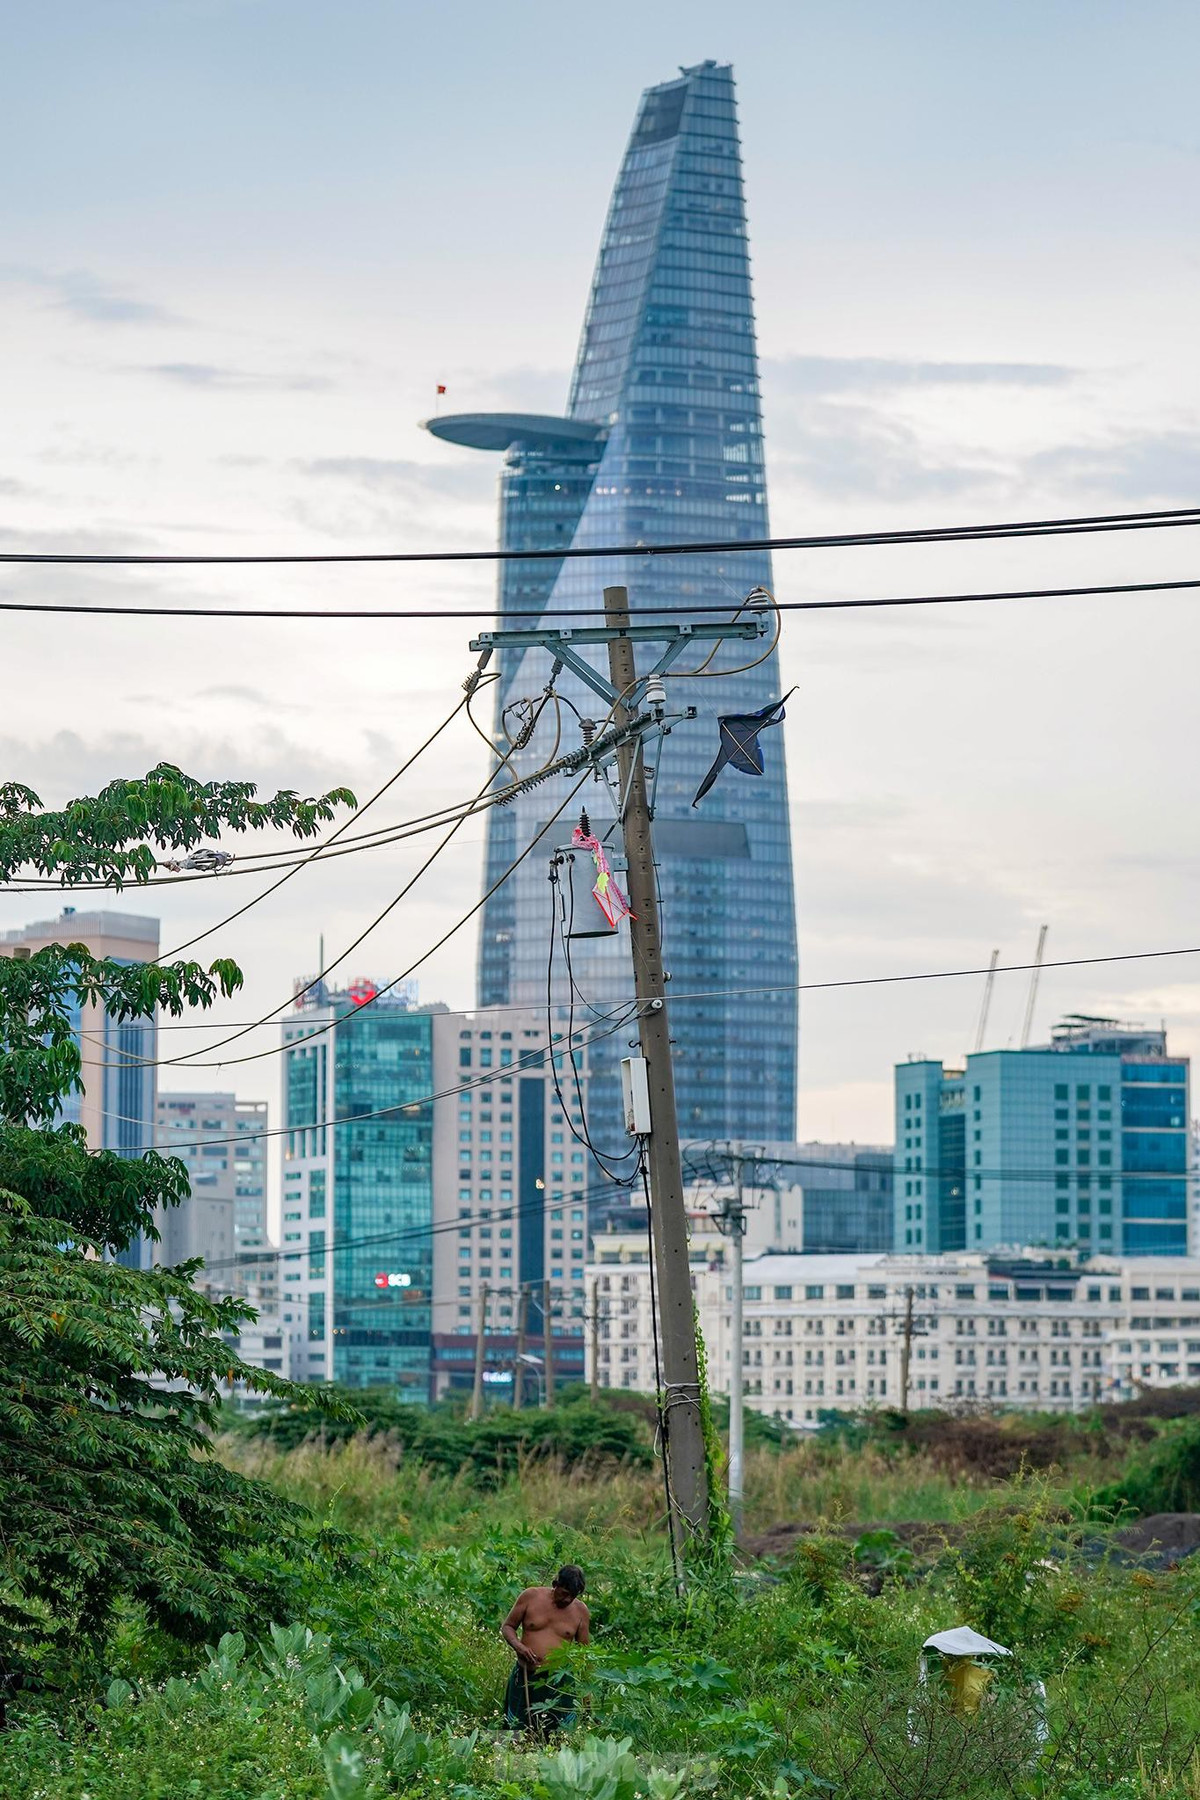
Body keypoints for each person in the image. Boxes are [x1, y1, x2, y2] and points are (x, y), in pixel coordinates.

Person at [500, 1565, 589, 1737]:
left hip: (560, 1682)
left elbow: (583, 1655)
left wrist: (587, 1699)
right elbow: (508, 1627)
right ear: (555, 1584)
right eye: (564, 1593)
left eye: (572, 1596)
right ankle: (511, 1761)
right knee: (516, 1730)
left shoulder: (580, 1611)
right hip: (526, 1675)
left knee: (558, 1734)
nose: (567, 1599)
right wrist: (519, 1646)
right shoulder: (530, 1597)